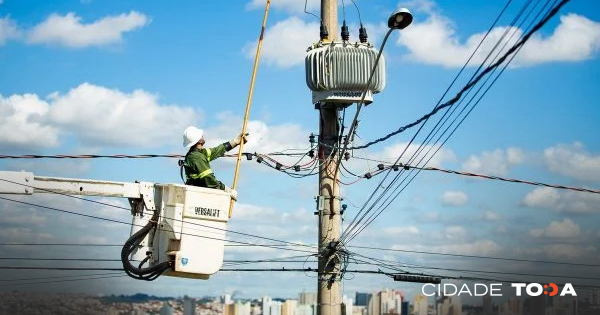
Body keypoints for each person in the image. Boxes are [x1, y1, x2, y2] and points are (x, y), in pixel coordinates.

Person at [181, 126, 248, 199]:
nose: (203, 136)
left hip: (200, 194)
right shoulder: (197, 158)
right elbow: (209, 179)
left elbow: (217, 151)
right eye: (201, 136)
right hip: (200, 196)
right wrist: (227, 190)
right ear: (199, 140)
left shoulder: (198, 154)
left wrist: (235, 142)